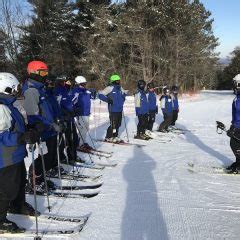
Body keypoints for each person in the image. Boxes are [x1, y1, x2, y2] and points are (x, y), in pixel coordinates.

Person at [0, 73, 39, 233]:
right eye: (15, 89)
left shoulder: (9, 105)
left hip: (16, 154)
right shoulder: (1, 108)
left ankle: (17, 205)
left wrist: (29, 131)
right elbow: (2, 135)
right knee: (6, 188)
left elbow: (16, 126)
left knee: (19, 182)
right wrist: (21, 137)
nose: (17, 92)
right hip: (5, 156)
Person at [22, 60, 60, 193]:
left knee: (49, 157)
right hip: (43, 130)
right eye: (42, 72)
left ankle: (40, 178)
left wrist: (55, 122)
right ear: (33, 73)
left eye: (46, 72)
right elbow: (33, 115)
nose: (45, 75)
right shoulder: (31, 90)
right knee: (45, 157)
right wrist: (49, 125)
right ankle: (34, 181)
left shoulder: (40, 88)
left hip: (49, 129)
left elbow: (46, 109)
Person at [54, 74, 78, 163]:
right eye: (67, 81)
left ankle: (72, 157)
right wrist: (65, 113)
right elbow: (57, 105)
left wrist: (74, 109)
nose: (69, 83)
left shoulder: (67, 90)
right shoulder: (57, 91)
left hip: (70, 119)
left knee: (74, 138)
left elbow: (69, 103)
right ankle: (61, 157)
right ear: (61, 81)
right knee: (63, 141)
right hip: (63, 120)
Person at [99, 74, 127, 142]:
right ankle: (108, 137)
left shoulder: (120, 88)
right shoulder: (110, 88)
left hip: (119, 109)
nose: (118, 81)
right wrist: (108, 100)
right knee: (113, 125)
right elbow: (100, 94)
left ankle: (115, 136)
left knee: (118, 124)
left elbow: (124, 94)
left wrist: (123, 97)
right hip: (113, 109)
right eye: (117, 80)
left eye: (119, 80)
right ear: (113, 81)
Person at [72, 76, 96, 151]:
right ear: (77, 84)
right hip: (80, 113)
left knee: (86, 128)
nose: (84, 85)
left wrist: (93, 92)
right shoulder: (75, 91)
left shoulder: (86, 91)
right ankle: (79, 144)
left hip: (86, 113)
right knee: (82, 129)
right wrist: (75, 109)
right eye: (82, 84)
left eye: (84, 84)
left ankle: (82, 143)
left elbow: (93, 97)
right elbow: (71, 102)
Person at [225, 74, 240, 173]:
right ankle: (238, 162)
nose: (234, 86)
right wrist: (232, 126)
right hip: (236, 125)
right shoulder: (237, 97)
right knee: (235, 144)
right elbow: (235, 114)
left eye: (235, 84)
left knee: (235, 145)